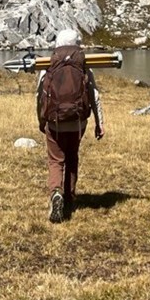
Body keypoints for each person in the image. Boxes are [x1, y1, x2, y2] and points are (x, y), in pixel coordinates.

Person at [36, 29, 104, 222]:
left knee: (56, 160)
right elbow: (94, 96)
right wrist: (100, 123)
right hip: (77, 122)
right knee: (72, 157)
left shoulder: (47, 65)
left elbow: (39, 97)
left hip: (54, 122)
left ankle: (55, 192)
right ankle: (69, 198)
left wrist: (42, 120)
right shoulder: (83, 65)